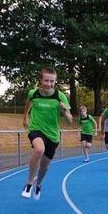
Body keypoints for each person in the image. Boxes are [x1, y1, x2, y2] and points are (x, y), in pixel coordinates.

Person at [21, 66, 72, 200]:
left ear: (55, 82)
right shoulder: (33, 93)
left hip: (53, 135)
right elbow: (27, 104)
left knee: (44, 166)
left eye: (52, 81)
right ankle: (29, 183)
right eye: (46, 81)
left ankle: (38, 184)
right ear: (40, 81)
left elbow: (70, 120)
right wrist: (25, 118)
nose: (49, 84)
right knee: (39, 150)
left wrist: (64, 110)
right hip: (36, 129)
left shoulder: (60, 96)